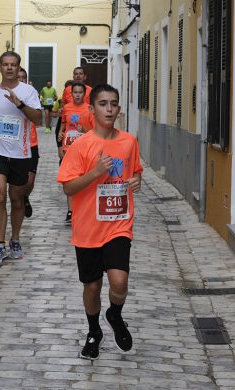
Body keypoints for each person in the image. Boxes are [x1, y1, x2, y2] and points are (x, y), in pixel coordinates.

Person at [57, 84, 143, 360]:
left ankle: (115, 315)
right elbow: (68, 188)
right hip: (88, 229)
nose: (109, 109)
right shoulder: (82, 145)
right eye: (103, 103)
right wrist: (95, 172)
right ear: (92, 109)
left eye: (114, 104)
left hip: (118, 224)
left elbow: (136, 173)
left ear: (119, 109)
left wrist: (136, 181)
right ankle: (94, 331)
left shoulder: (129, 142)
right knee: (92, 287)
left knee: (120, 282)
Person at [0, 51, 42, 264]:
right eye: (5, 64)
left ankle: (15, 239)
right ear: (0, 67)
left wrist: (19, 104)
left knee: (16, 198)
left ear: (18, 67)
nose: (10, 68)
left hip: (20, 152)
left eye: (13, 64)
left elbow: (38, 119)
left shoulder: (28, 91)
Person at [57, 82, 95, 224]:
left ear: (84, 94)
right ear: (71, 94)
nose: (77, 95)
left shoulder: (90, 109)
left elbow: (95, 131)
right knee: (70, 179)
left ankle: (84, 208)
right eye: (75, 92)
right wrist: (61, 133)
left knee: (84, 180)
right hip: (69, 146)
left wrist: (84, 131)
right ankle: (71, 211)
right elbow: (63, 124)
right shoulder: (66, 108)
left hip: (85, 149)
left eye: (80, 92)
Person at [18, 68, 38, 218]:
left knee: (29, 182)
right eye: (18, 77)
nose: (20, 79)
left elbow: (38, 118)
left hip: (31, 143)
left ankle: (25, 197)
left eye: (23, 77)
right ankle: (18, 203)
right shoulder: (4, 94)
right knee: (16, 183)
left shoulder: (31, 94)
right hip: (13, 145)